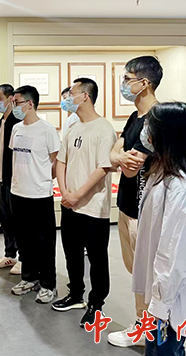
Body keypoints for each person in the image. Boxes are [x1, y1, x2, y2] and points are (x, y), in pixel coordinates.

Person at [134, 102, 186, 355]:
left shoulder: (185, 192)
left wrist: (160, 306)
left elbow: (174, 257)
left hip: (171, 304)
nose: (145, 132)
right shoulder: (161, 177)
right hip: (162, 299)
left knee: (164, 350)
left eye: (150, 126)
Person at [51, 78, 117, 327]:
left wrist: (78, 194)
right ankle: (76, 294)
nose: (68, 97)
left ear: (85, 96)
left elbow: (103, 168)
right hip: (70, 204)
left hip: (93, 206)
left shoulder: (104, 129)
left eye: (72, 93)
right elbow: (61, 161)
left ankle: (96, 305)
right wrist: (65, 192)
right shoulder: (73, 127)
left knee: (97, 259)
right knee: (72, 253)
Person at [108, 56, 163, 347]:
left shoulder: (157, 119)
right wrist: (118, 155)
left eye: (127, 79)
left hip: (144, 208)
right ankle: (144, 325)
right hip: (127, 205)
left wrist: (118, 157)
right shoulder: (135, 117)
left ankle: (147, 329)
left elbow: (131, 166)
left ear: (144, 83)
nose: (123, 84)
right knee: (136, 271)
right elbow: (116, 149)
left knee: (146, 275)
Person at [9, 85, 60, 304]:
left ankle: (48, 284)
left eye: (17, 102)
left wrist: (45, 178)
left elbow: (57, 160)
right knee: (24, 240)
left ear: (30, 104)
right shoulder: (16, 129)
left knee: (44, 242)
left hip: (39, 194)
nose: (14, 106)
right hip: (18, 192)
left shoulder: (47, 130)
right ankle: (29, 278)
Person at [0, 84, 22, 275]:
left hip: (12, 180)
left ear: (11, 99)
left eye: (0, 99)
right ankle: (10, 254)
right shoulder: (0, 123)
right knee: (5, 219)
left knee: (18, 220)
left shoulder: (17, 124)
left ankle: (24, 257)